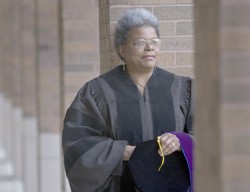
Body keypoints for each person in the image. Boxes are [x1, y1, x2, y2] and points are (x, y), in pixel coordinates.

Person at [62, 8, 193, 192]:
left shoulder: (182, 88)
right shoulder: (97, 91)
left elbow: (209, 137)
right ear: (122, 49)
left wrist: (181, 141)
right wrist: (127, 153)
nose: (150, 47)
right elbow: (77, 144)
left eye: (155, 42)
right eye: (140, 42)